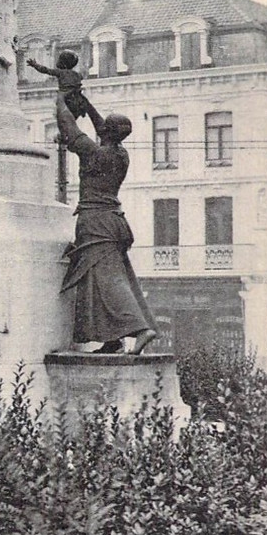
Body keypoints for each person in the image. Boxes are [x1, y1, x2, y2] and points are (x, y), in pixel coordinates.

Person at [55, 92, 157, 355]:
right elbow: (102, 126)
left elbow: (69, 129)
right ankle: (113, 339)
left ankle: (140, 328)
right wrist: (85, 102)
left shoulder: (94, 154)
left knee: (107, 279)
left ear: (107, 133)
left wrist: (61, 98)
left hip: (96, 221)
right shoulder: (120, 154)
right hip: (113, 219)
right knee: (103, 279)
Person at [27, 50, 86, 117]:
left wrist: (35, 65)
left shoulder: (61, 72)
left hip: (64, 95)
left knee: (58, 106)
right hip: (75, 96)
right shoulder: (77, 74)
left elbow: (46, 70)